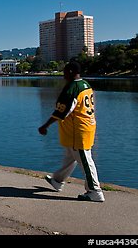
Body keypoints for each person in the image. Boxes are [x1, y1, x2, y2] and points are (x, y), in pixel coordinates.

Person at [38, 61, 105, 202]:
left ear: (70, 72)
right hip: (85, 127)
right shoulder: (85, 85)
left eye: (64, 71)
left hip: (78, 130)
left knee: (85, 160)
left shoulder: (72, 88)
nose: (63, 74)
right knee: (71, 156)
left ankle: (95, 191)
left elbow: (62, 112)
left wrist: (45, 125)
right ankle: (57, 180)